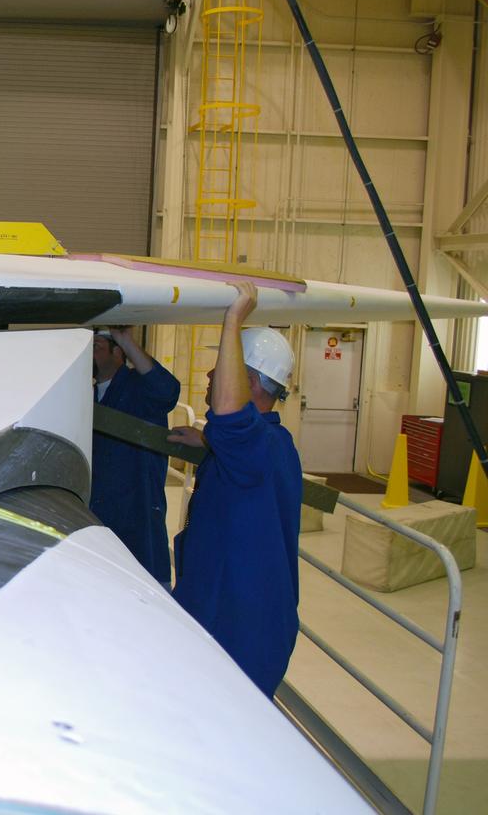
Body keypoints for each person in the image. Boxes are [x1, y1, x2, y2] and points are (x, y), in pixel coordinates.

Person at [167, 281, 302, 698]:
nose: (210, 374)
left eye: (224, 367)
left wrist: (233, 319)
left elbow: (228, 415)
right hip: (229, 616)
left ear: (251, 384)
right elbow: (233, 434)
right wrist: (209, 442)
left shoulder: (254, 445)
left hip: (240, 633)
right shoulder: (261, 446)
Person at [89, 326, 181, 586]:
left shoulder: (138, 390)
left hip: (135, 512)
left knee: (145, 588)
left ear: (118, 353)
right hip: (101, 513)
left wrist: (126, 340)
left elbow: (168, 391)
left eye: (97, 347)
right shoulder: (89, 395)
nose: (91, 356)